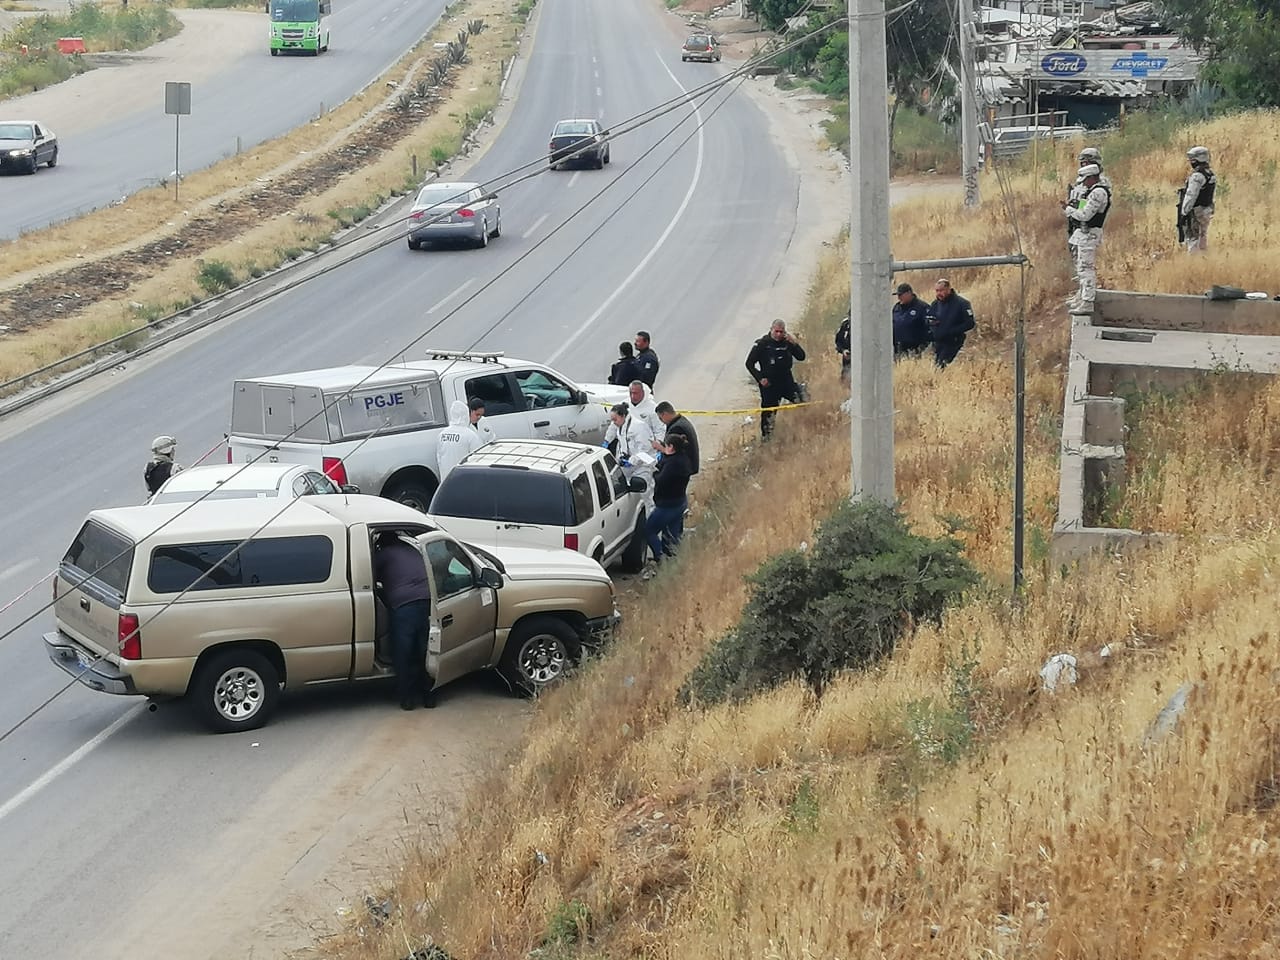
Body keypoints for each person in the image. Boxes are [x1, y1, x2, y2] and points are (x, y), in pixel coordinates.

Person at [372, 531, 434, 711]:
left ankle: (407, 699)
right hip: (428, 601)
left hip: (404, 606)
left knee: (403, 652)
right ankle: (428, 696)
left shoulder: (383, 554)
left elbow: (369, 578)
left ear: (381, 544)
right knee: (425, 651)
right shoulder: (412, 550)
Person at [744, 319, 806, 440]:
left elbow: (801, 357)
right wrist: (760, 378)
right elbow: (749, 363)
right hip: (769, 386)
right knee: (768, 415)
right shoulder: (762, 344)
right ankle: (767, 440)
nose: (778, 334)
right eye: (776, 331)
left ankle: (805, 429)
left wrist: (795, 343)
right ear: (771, 330)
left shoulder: (787, 343)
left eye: (781, 332)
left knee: (804, 399)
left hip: (786, 383)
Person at [1062, 163, 1111, 314]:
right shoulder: (1093, 191)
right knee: (1081, 268)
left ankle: (1087, 301)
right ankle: (1082, 296)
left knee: (1086, 269)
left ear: (1092, 178)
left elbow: (1085, 215)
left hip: (1089, 233)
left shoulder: (1098, 193)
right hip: (1084, 233)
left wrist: (1069, 210)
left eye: (1085, 179)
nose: (1083, 183)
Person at [645, 433, 693, 567]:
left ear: (671, 447)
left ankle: (660, 558)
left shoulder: (672, 464)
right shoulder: (683, 459)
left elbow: (661, 479)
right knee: (672, 537)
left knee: (649, 530)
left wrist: (654, 471)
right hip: (679, 502)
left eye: (665, 446)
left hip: (667, 505)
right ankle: (673, 560)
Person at [603, 402, 657, 509]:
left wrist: (632, 460)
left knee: (647, 497)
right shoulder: (620, 425)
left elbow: (645, 449)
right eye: (612, 420)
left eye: (615, 419)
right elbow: (613, 432)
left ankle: (651, 521)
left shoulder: (639, 427)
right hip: (629, 467)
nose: (614, 422)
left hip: (643, 467)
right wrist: (606, 441)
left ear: (623, 416)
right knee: (629, 497)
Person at [1065, 148, 1110, 257]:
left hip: (1091, 225)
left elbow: (1094, 204)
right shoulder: (1082, 178)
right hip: (1078, 222)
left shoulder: (1100, 182)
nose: (1084, 164)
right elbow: (1082, 199)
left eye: (1087, 162)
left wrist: (1075, 210)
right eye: (1083, 162)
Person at [436, 398, 492, 481]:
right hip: (465, 479)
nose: (479, 417)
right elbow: (479, 458)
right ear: (468, 413)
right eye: (477, 414)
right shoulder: (469, 435)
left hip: (447, 480)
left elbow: (439, 458)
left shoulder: (442, 434)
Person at [927, 279, 975, 369]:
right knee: (936, 367)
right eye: (937, 291)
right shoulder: (935, 304)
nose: (939, 293)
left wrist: (952, 331)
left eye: (941, 290)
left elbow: (970, 323)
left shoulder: (962, 303)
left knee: (940, 367)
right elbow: (930, 318)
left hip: (953, 341)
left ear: (948, 289)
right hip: (938, 341)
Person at [1181, 145, 1216, 254]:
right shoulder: (1210, 174)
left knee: (1193, 238)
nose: (1191, 162)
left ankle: (1193, 263)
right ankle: (1203, 260)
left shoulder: (1197, 177)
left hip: (1196, 211)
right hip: (1207, 210)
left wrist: (1184, 211)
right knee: (1203, 236)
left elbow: (1191, 195)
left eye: (1193, 160)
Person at [892, 283, 931, 358]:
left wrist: (922, 347)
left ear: (909, 293)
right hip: (898, 348)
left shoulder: (922, 307)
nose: (899, 298)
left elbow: (930, 328)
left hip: (915, 349)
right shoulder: (896, 308)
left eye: (900, 295)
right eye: (898, 295)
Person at [834, 315, 851, 383]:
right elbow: (838, 341)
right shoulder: (845, 325)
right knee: (845, 381)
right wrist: (843, 350)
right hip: (847, 362)